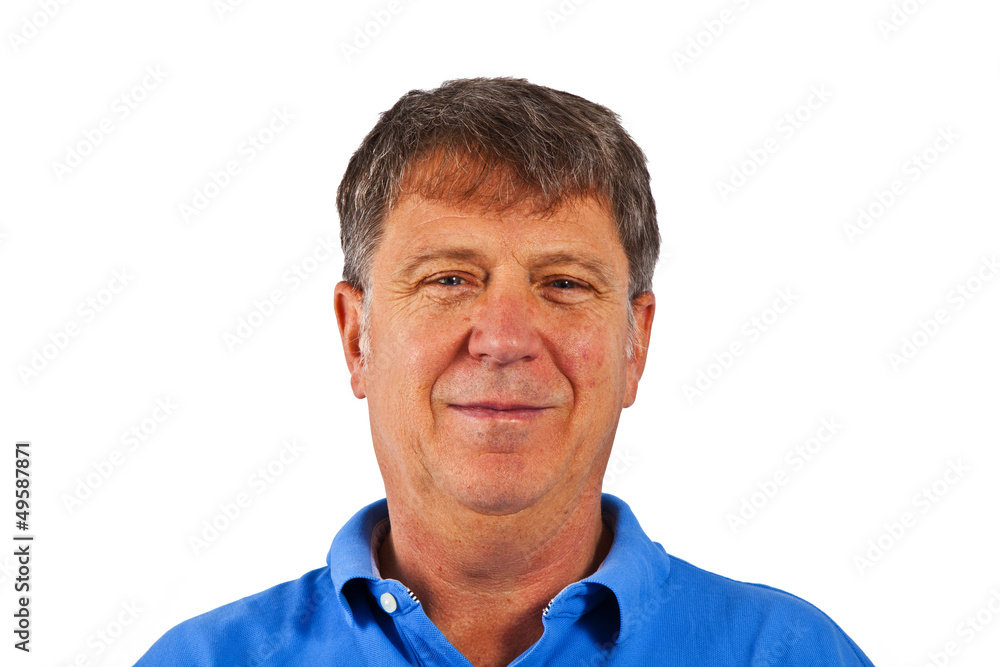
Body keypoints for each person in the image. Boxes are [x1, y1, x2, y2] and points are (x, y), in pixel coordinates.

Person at [134, 77, 875, 666]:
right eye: (450, 279)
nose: (504, 339)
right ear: (358, 337)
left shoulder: (789, 655)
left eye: (564, 283)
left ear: (635, 345)